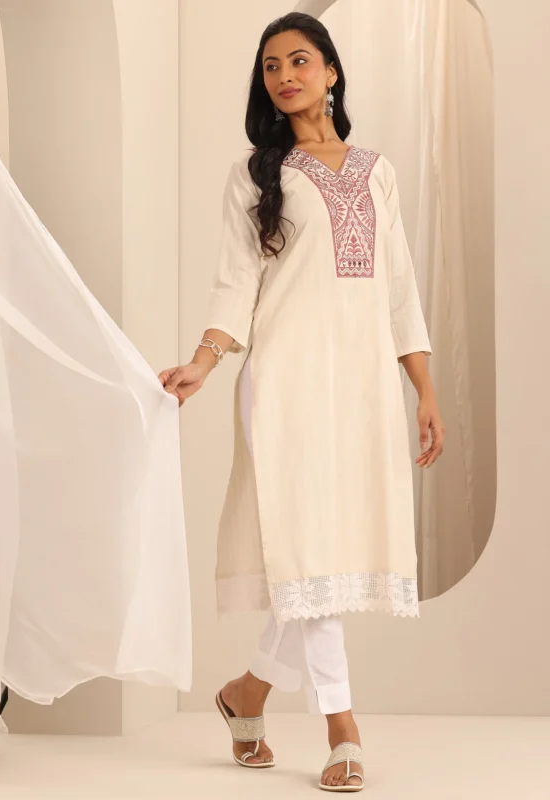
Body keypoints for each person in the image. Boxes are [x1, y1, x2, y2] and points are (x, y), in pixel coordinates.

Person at [159, 11, 445, 793]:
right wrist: (203, 362)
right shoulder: (258, 174)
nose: (284, 75)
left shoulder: (377, 172)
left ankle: (246, 694)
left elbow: (399, 289)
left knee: (322, 558)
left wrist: (423, 389)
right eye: (271, 66)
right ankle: (342, 728)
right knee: (308, 546)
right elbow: (235, 282)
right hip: (284, 382)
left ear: (331, 71)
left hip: (361, 385)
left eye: (299, 60)